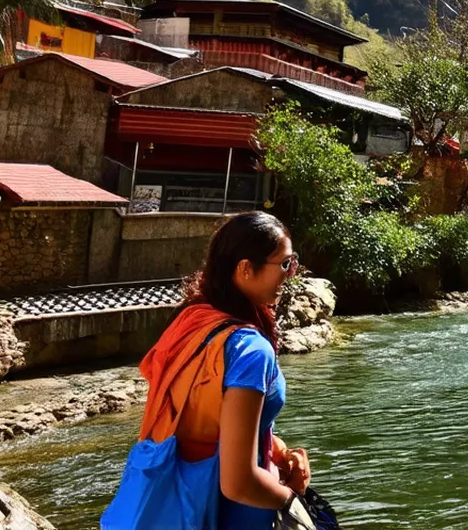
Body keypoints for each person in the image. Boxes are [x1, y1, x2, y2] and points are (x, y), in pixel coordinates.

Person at [101, 211, 312, 529]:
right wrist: (291, 499)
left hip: (175, 494)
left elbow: (203, 420)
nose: (290, 273)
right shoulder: (251, 350)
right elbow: (238, 482)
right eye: (284, 264)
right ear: (245, 269)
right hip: (230, 511)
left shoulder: (191, 320)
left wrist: (272, 446)